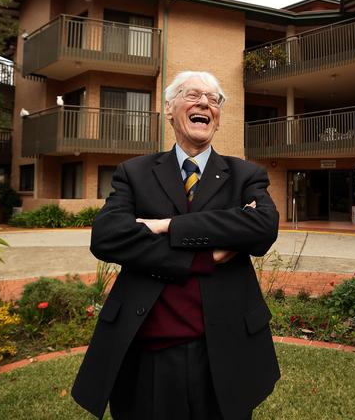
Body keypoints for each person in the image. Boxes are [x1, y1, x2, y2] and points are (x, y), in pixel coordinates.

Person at [72, 71, 280, 420]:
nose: (204, 103)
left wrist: (166, 225)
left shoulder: (245, 174)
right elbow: (107, 236)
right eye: (193, 94)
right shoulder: (134, 173)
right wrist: (203, 257)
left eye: (214, 99)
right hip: (147, 353)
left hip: (224, 352)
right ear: (169, 109)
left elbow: (262, 227)